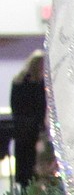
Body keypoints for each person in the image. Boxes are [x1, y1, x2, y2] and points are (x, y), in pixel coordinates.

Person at [9, 51, 46, 188]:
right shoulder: (39, 85)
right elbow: (41, 107)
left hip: (22, 130)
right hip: (34, 131)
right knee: (34, 168)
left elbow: (14, 106)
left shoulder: (18, 82)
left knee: (25, 170)